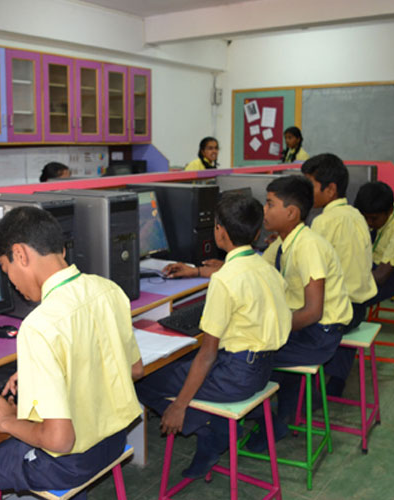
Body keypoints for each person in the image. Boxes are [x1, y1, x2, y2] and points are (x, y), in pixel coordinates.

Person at [0, 206, 143, 500]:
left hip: (65, 464)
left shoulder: (39, 326)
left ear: (20, 254)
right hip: (113, 442)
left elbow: (60, 440)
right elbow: (134, 370)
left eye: (6, 270)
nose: (13, 284)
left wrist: (6, 421)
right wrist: (47, 372)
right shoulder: (109, 290)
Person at [136, 193, 292, 479]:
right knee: (180, 363)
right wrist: (199, 271)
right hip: (264, 368)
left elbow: (207, 355)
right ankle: (233, 423)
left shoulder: (224, 280)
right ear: (257, 233)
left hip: (236, 377)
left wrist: (179, 406)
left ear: (219, 232)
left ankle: (212, 432)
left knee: (143, 379)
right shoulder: (266, 268)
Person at [247, 175, 352, 451]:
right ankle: (288, 411)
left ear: (291, 212)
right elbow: (255, 267)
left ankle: (271, 422)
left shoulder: (308, 246)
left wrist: (271, 329)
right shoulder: (287, 241)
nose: (264, 210)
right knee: (255, 345)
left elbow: (313, 312)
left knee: (245, 357)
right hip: (309, 330)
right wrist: (202, 271)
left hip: (319, 335)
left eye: (270, 204)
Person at [301, 154, 377, 396]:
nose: (305, 192)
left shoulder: (323, 222)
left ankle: (299, 395)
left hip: (339, 316)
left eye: (309, 185)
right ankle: (336, 380)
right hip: (360, 309)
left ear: (330, 189)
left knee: (288, 318)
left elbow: (309, 270)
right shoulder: (356, 215)